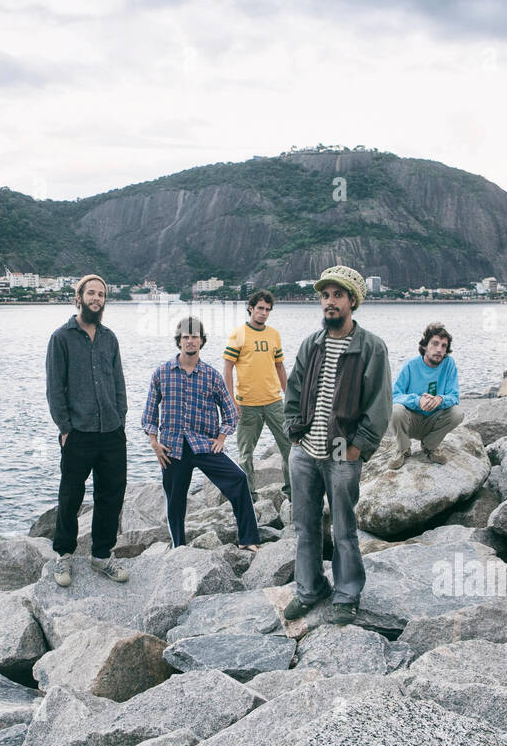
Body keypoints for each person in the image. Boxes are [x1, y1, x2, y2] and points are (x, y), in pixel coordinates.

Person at [282, 266, 392, 626]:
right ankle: (310, 589)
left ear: (353, 301)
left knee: (343, 529)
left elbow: (380, 404)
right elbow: (294, 392)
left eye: (337, 295)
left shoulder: (371, 347)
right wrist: (293, 433)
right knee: (305, 526)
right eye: (325, 295)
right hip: (304, 454)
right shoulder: (311, 344)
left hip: (343, 455)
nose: (329, 302)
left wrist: (359, 447)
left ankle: (347, 594)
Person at [143, 316, 261, 550]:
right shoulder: (162, 373)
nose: (190, 341)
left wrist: (221, 438)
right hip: (172, 448)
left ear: (201, 341)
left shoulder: (212, 375)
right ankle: (179, 547)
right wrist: (154, 443)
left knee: (238, 479)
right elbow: (149, 413)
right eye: (185, 337)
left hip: (204, 445)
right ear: (179, 341)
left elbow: (230, 411)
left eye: (194, 337)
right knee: (175, 502)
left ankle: (248, 540)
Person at [44, 274, 130, 587]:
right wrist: (65, 429)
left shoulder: (109, 338)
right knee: (71, 495)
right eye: (90, 293)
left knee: (111, 494)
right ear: (78, 298)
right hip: (78, 432)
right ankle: (63, 555)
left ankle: (102, 555)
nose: (96, 298)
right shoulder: (61, 338)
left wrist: (120, 417)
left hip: (111, 431)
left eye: (101, 294)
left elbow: (118, 382)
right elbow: (55, 388)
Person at [223, 290, 291, 501]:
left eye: (267, 310)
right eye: (260, 308)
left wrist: (289, 395)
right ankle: (249, 496)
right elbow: (227, 369)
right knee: (245, 455)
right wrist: (231, 401)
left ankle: (292, 491)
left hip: (274, 403)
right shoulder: (238, 334)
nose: (263, 313)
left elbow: (280, 367)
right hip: (247, 404)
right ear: (251, 308)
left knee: (290, 448)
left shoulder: (274, 334)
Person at [387, 322, 463, 467]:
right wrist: (418, 401)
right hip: (411, 421)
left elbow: (454, 396)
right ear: (424, 346)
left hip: (433, 420)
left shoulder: (449, 364)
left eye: (443, 346)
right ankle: (403, 449)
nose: (439, 349)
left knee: (457, 413)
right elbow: (393, 395)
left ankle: (430, 446)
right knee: (395, 410)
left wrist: (440, 399)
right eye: (435, 344)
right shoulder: (411, 366)